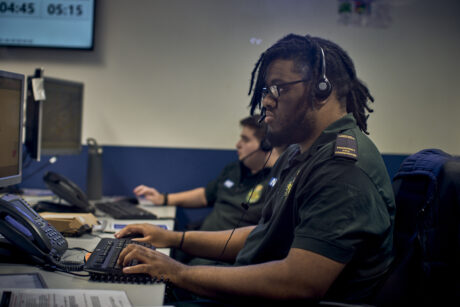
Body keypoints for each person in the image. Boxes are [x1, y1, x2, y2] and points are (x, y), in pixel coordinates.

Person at [115, 34, 395, 305]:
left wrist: (177, 272)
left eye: (278, 88)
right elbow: (263, 233)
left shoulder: (342, 170)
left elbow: (298, 283)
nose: (266, 101)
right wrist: (172, 238)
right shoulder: (299, 154)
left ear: (321, 89)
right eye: (265, 90)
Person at [134, 115, 285, 233]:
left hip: (224, 260)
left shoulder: (277, 181)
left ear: (267, 145)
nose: (237, 145)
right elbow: (205, 196)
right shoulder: (234, 169)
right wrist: (163, 198)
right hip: (197, 248)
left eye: (245, 140)